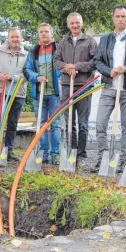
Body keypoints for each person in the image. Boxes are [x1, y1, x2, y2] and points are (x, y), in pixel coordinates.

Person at [91, 4, 126, 174]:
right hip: (108, 87)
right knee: (100, 123)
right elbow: (97, 61)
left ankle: (124, 161)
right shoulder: (105, 39)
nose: (120, 19)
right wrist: (108, 71)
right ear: (113, 18)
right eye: (117, 16)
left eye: (123, 16)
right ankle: (103, 159)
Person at [54, 12, 97, 165]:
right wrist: (67, 67)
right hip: (67, 86)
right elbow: (56, 61)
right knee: (69, 121)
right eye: (72, 23)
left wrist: (77, 67)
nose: (75, 25)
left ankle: (81, 154)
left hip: (84, 86)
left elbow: (95, 62)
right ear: (68, 25)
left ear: (82, 23)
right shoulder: (63, 41)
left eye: (77, 22)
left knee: (83, 123)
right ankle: (71, 152)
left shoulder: (90, 41)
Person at [0, 27, 28, 161]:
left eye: (17, 37)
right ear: (8, 38)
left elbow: (28, 73)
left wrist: (14, 77)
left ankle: (8, 151)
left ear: (21, 39)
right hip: (1, 88)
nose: (15, 39)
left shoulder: (26, 55)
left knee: (12, 122)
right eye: (12, 37)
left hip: (18, 92)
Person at [23, 23, 62, 164]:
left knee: (55, 125)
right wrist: (37, 77)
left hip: (55, 94)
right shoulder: (33, 51)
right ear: (38, 34)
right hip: (39, 94)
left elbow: (62, 65)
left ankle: (55, 154)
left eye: (46, 31)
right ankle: (44, 153)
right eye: (41, 32)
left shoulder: (58, 48)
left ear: (52, 33)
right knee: (41, 124)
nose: (44, 34)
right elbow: (27, 70)